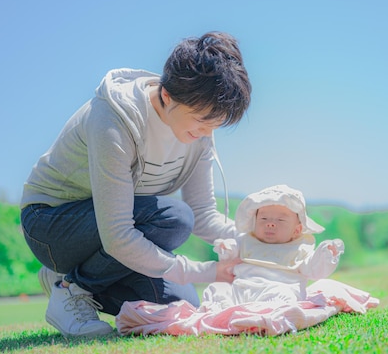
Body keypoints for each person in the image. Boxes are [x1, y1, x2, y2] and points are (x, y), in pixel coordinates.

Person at [20, 31, 251, 337]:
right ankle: (71, 287)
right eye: (202, 121)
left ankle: (70, 277)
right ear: (167, 95)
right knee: (174, 219)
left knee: (178, 304)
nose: (208, 133)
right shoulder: (115, 118)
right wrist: (205, 270)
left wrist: (258, 241)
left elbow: (205, 216)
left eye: (215, 125)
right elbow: (118, 235)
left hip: (111, 234)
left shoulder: (198, 129)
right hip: (51, 225)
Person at [205, 184, 345, 309]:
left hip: (277, 289)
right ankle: (222, 309)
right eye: (264, 219)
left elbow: (314, 269)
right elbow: (229, 259)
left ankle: (267, 311)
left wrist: (325, 255)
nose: (270, 223)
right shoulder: (247, 241)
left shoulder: (299, 250)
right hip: (241, 289)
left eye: (280, 220)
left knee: (283, 295)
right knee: (218, 288)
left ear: (297, 230)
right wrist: (227, 249)